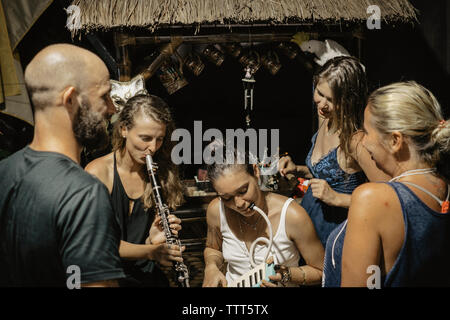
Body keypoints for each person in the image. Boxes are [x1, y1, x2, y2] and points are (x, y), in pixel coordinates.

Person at [0, 44, 125, 286]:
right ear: (70, 99)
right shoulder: (82, 193)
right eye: (104, 96)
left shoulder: (4, 173)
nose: (111, 108)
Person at [328, 81, 450, 287]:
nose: (363, 142)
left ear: (395, 140)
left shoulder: (373, 199)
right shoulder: (443, 187)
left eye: (366, 132)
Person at [278, 56, 390, 247]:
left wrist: (336, 198)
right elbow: (329, 173)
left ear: (349, 101)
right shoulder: (325, 118)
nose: (322, 104)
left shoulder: (356, 140)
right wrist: (298, 169)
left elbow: (388, 197)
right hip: (310, 221)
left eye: (332, 100)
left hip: (338, 232)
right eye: (319, 93)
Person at [85, 94, 185, 287]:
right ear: (124, 130)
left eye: (160, 139)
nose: (153, 148)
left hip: (143, 277)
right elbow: (99, 244)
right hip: (105, 278)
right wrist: (150, 252)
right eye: (145, 138)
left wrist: (153, 239)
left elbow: (144, 243)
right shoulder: (98, 173)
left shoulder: (159, 174)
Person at [202, 150, 324, 287]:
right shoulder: (216, 211)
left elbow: (320, 271)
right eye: (226, 198)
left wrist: (286, 275)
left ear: (256, 172)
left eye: (243, 191)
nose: (238, 204)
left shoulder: (292, 215)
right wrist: (211, 267)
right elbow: (213, 249)